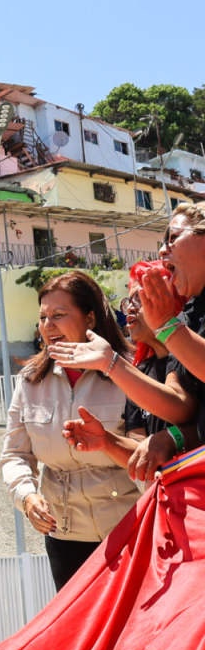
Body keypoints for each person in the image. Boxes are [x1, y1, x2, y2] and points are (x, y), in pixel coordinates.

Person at [0, 271, 139, 591]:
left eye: (59, 315)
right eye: (43, 317)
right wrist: (27, 497)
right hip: (64, 537)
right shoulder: (30, 381)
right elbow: (14, 455)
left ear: (90, 318)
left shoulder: (129, 370)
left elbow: (149, 450)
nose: (48, 325)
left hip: (130, 528)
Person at [52, 260, 199, 473]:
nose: (130, 307)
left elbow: (185, 413)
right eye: (128, 301)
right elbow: (142, 451)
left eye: (140, 298)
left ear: (173, 298)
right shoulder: (137, 372)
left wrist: (174, 437)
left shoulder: (193, 360)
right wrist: (107, 441)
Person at [125, 202, 205, 481]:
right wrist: (110, 364)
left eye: (173, 237)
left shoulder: (175, 324)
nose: (162, 250)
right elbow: (181, 406)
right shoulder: (188, 315)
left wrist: (165, 325)